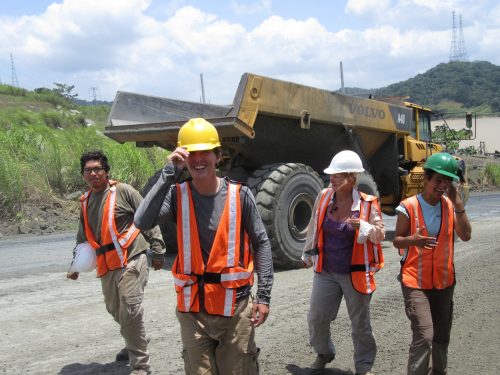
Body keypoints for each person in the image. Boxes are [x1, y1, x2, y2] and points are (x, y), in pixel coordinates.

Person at [134, 118, 274, 375]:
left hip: (235, 308)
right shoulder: (178, 195)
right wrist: (168, 173)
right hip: (193, 312)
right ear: (183, 158)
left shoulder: (240, 195)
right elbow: (142, 220)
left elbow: (261, 243)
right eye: (191, 154)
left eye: (204, 152)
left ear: (218, 156)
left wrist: (263, 296)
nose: (198, 160)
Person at [68, 150, 166, 375]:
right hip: (107, 264)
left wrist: (158, 248)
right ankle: (136, 337)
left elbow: (148, 215)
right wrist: (75, 267)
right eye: (88, 170)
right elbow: (82, 239)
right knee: (115, 310)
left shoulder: (123, 191)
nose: (93, 173)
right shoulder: (85, 202)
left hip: (133, 257)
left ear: (106, 171)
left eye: (97, 169)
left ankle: (140, 366)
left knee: (130, 309)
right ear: (83, 174)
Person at [302, 150, 385, 375]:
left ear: (351, 177)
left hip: (354, 274)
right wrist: (307, 252)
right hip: (326, 271)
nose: (332, 179)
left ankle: (364, 367)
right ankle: (324, 353)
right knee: (317, 317)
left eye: (337, 175)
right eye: (332, 174)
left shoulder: (368, 204)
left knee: (360, 324)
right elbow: (314, 223)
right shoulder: (324, 197)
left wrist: (365, 228)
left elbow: (380, 234)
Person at [393, 152, 471, 375]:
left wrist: (459, 204)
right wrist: (412, 240)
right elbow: (397, 239)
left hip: (444, 282)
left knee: (442, 336)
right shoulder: (408, 206)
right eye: (439, 180)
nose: (443, 185)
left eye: (447, 181)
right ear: (426, 180)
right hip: (415, 281)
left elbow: (465, 235)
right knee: (425, 335)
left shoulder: (449, 205)